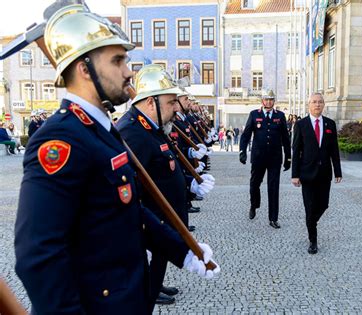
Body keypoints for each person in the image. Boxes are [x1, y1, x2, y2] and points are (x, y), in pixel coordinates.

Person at [14, 5, 219, 314]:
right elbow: (38, 255)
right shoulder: (60, 139)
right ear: (85, 69)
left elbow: (128, 210)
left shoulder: (100, 128)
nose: (128, 71)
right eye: (118, 60)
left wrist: (183, 251)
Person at [117, 65, 215, 305]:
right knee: (144, 299)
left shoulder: (152, 127)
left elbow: (164, 170)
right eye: (171, 102)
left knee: (155, 279)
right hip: (152, 231)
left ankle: (156, 283)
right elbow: (131, 195)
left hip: (163, 228)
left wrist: (190, 183)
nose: (175, 108)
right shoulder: (132, 133)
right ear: (151, 102)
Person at [291, 93, 342, 254]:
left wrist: (338, 171)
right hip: (307, 174)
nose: (317, 105)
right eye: (314, 102)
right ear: (309, 105)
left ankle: (311, 221)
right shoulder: (301, 124)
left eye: (320, 102)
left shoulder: (330, 124)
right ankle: (313, 240)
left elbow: (334, 149)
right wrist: (295, 174)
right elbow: (296, 150)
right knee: (309, 207)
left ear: (324, 105)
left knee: (323, 204)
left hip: (325, 173)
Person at [239, 90, 291, 229]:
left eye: (271, 99)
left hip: (274, 158)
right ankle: (254, 204)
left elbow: (285, 138)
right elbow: (246, 135)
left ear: (274, 101)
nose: (268, 102)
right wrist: (242, 151)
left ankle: (273, 218)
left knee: (273, 187)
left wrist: (288, 157)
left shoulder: (280, 116)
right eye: (266, 99)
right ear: (262, 101)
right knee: (254, 184)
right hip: (258, 157)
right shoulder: (254, 114)